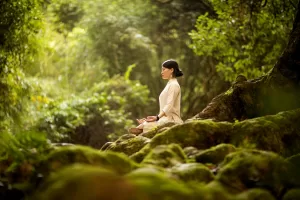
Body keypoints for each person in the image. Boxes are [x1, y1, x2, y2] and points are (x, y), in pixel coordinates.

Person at [128, 59, 184, 135]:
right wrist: (155, 118)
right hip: (164, 119)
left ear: (171, 70)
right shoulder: (169, 84)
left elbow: (169, 105)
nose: (162, 72)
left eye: (164, 69)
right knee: (144, 124)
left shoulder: (174, 85)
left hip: (171, 120)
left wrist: (157, 117)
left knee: (143, 126)